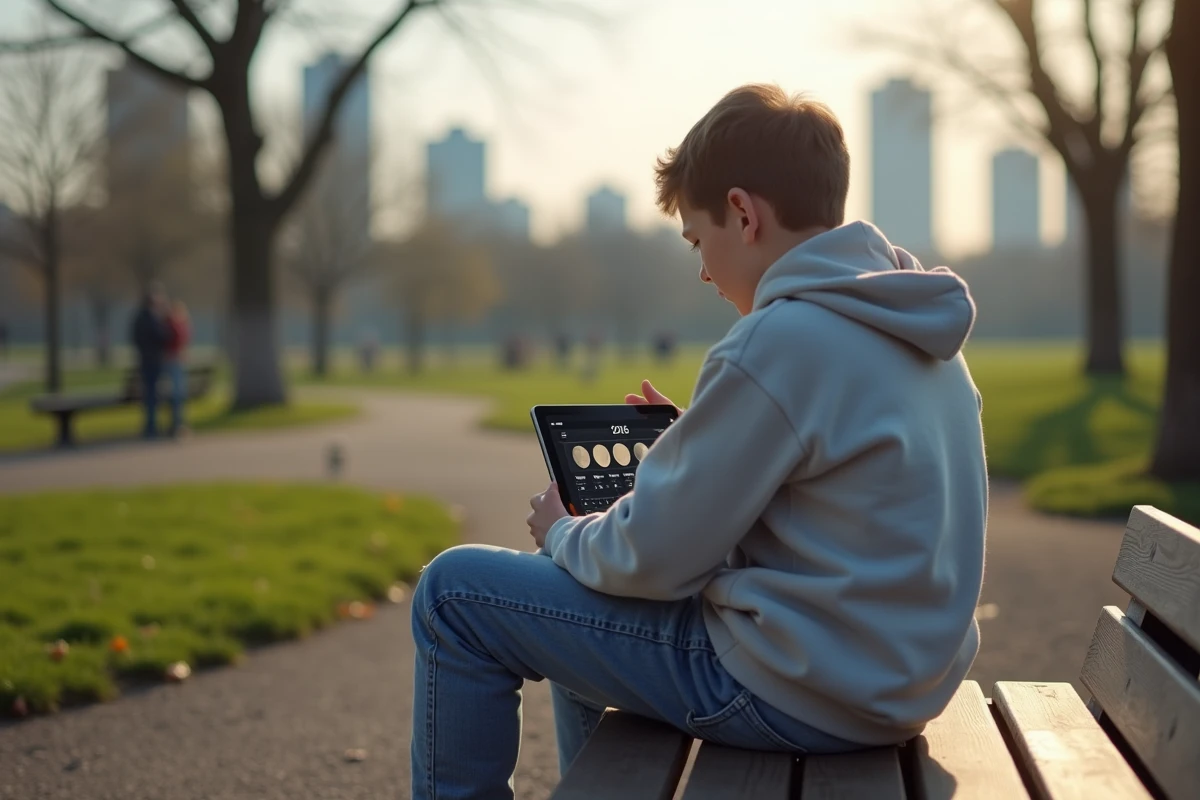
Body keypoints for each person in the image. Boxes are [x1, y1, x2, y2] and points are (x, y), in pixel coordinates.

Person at [409, 84, 987, 798]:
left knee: (454, 593)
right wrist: (705, 438)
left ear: (743, 214)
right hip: (895, 684)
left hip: (799, 690)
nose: (705, 270)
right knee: (577, 607)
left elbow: (653, 560)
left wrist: (562, 532)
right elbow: (842, 485)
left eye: (696, 240)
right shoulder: (917, 327)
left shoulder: (780, 341)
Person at [130, 284, 169, 439]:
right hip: (152, 360)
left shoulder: (140, 318)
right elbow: (161, 336)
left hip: (146, 359)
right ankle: (152, 426)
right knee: (152, 394)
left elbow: (135, 337)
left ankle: (151, 425)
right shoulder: (152, 318)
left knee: (150, 393)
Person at [164, 300, 191, 436]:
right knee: (176, 394)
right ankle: (176, 424)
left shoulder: (179, 324)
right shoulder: (171, 325)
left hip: (177, 360)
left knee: (179, 394)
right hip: (173, 360)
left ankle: (179, 424)